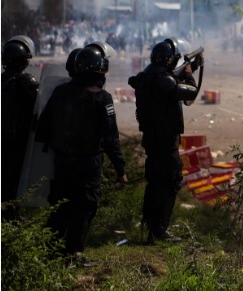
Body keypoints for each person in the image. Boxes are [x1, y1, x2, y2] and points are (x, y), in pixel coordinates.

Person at [34, 42, 127, 265]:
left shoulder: (60, 92)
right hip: (88, 163)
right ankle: (74, 254)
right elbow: (111, 138)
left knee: (61, 206)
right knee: (84, 207)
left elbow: (43, 127)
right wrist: (120, 169)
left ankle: (50, 252)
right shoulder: (102, 98)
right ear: (100, 70)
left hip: (62, 161)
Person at [128, 37, 202, 244]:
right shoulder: (164, 81)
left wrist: (193, 66)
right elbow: (190, 93)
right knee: (170, 182)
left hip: (152, 138)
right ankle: (159, 230)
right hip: (165, 139)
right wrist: (189, 75)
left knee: (155, 182)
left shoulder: (147, 77)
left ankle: (150, 224)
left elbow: (171, 80)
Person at [1, 36, 39, 216]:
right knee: (15, 181)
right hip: (20, 140)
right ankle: (11, 216)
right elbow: (39, 107)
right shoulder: (27, 82)